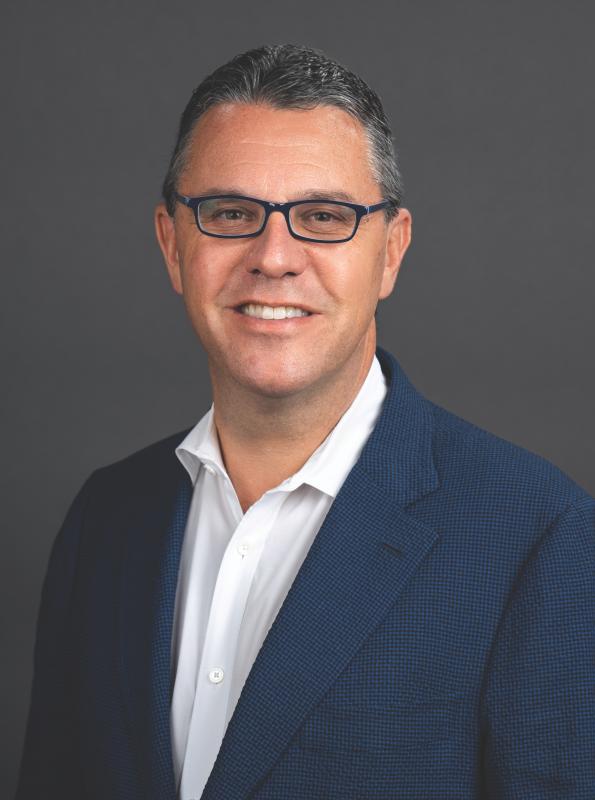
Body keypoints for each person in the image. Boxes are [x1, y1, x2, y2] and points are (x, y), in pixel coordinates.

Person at [16, 43, 594, 800]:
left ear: (389, 252)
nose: (275, 257)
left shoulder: (536, 534)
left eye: (323, 216)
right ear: (171, 245)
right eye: (230, 213)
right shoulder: (107, 518)